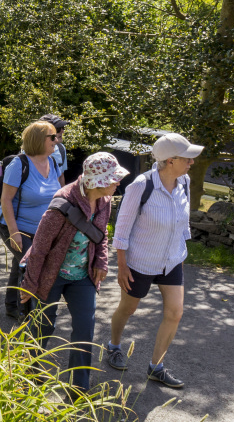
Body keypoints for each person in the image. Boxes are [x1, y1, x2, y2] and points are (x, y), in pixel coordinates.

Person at [19, 153, 129, 394]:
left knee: (84, 328)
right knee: (43, 326)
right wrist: (29, 284)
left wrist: (101, 261)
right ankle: (30, 375)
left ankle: (78, 387)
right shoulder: (62, 203)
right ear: (97, 181)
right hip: (51, 273)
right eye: (114, 178)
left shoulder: (105, 199)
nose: (118, 182)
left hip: (82, 275)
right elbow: (38, 249)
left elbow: (101, 233)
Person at [105, 133, 203, 389]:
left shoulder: (184, 181)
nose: (191, 162)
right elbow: (122, 229)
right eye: (187, 158)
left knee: (175, 312)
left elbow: (183, 222)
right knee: (128, 309)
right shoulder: (140, 185)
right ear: (170, 160)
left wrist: (181, 255)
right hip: (141, 262)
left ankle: (155, 367)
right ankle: (114, 346)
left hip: (172, 261)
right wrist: (122, 266)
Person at [0, 121, 63, 320]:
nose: (57, 140)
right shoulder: (19, 164)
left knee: (21, 264)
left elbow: (60, 193)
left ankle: (12, 306)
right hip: (16, 227)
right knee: (32, 267)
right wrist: (14, 232)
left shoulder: (52, 162)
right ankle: (27, 317)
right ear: (39, 140)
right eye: (52, 137)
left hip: (42, 229)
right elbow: (5, 199)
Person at [40, 113, 69, 186]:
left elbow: (61, 176)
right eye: (58, 129)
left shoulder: (61, 148)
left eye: (62, 128)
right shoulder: (29, 152)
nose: (62, 131)